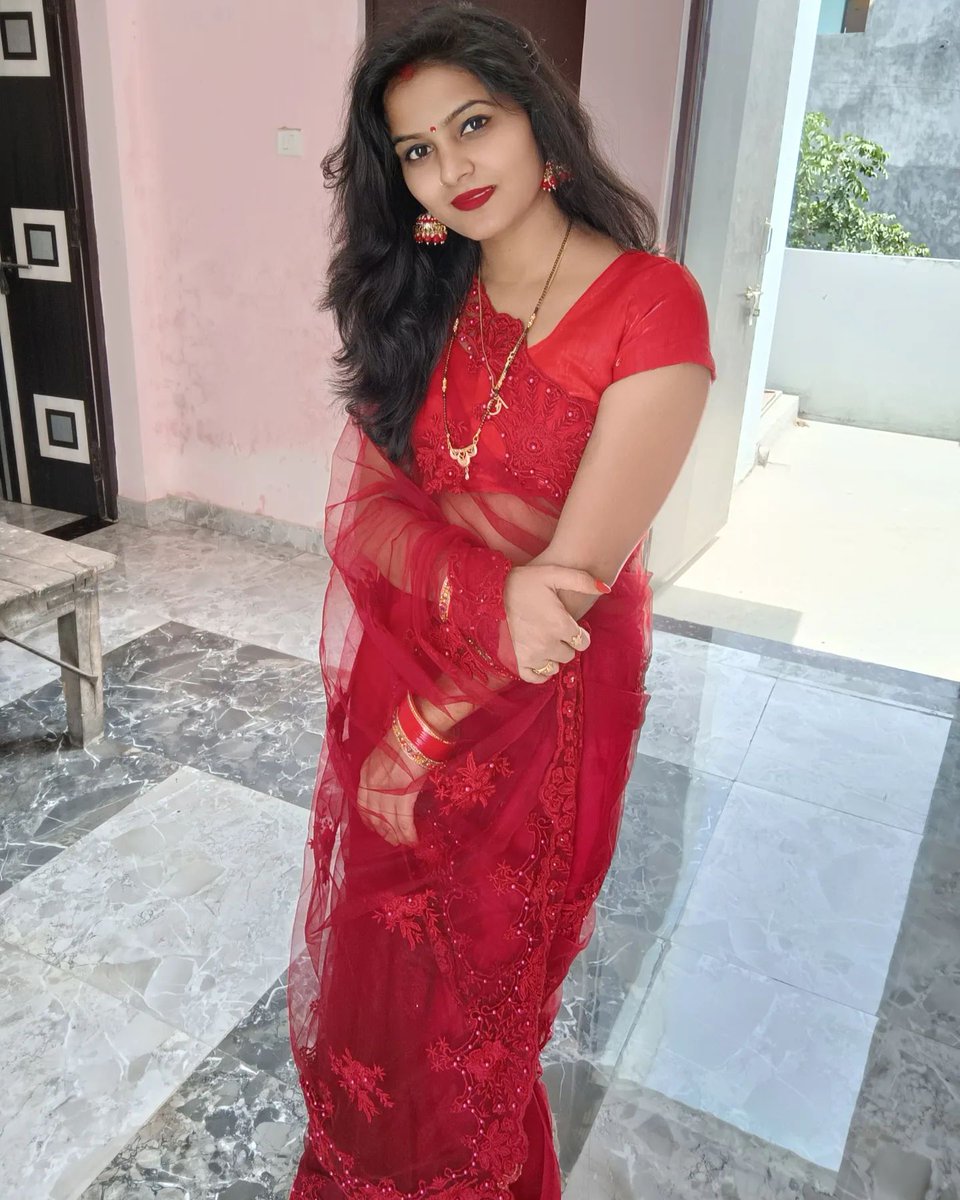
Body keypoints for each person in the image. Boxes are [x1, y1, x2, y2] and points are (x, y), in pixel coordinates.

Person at [287, 3, 716, 1196]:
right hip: (414, 680)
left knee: (477, 1007)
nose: (452, 167)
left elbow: (558, 605)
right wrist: (468, 615)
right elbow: (367, 514)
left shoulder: (652, 307)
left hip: (540, 725)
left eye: (473, 124)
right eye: (418, 150)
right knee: (383, 985)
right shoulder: (428, 299)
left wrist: (422, 736)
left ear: (539, 122)